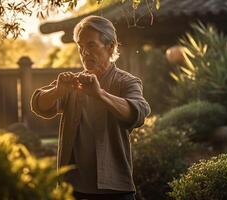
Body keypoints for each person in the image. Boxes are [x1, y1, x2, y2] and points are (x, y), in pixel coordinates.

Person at [31, 15, 151, 200]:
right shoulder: (72, 82)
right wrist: (57, 90)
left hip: (115, 190)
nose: (84, 52)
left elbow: (138, 113)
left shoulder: (127, 82)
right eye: (80, 46)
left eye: (91, 45)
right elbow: (39, 104)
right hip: (72, 188)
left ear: (110, 46)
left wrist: (100, 95)